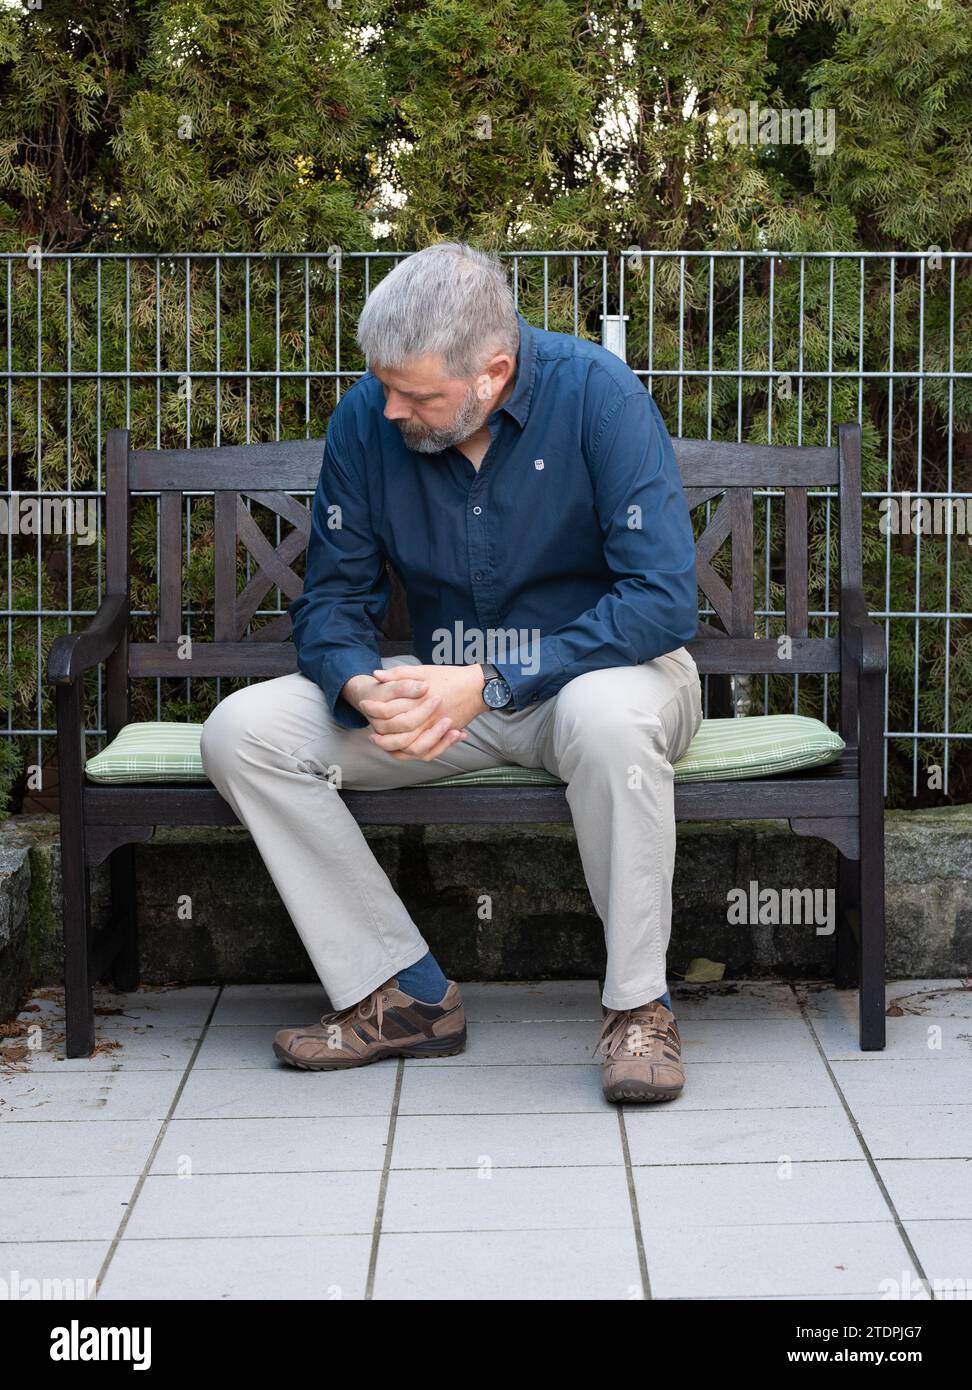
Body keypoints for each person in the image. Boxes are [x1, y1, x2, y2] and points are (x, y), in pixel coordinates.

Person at [199, 240, 702, 1104]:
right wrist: (360, 684)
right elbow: (330, 603)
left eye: (417, 394)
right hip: (444, 694)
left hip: (603, 679)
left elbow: (661, 600)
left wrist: (496, 681)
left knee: (609, 719)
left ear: (493, 372)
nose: (390, 408)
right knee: (242, 734)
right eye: (384, 384)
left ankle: (639, 1010)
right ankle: (404, 995)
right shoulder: (367, 418)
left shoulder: (598, 397)